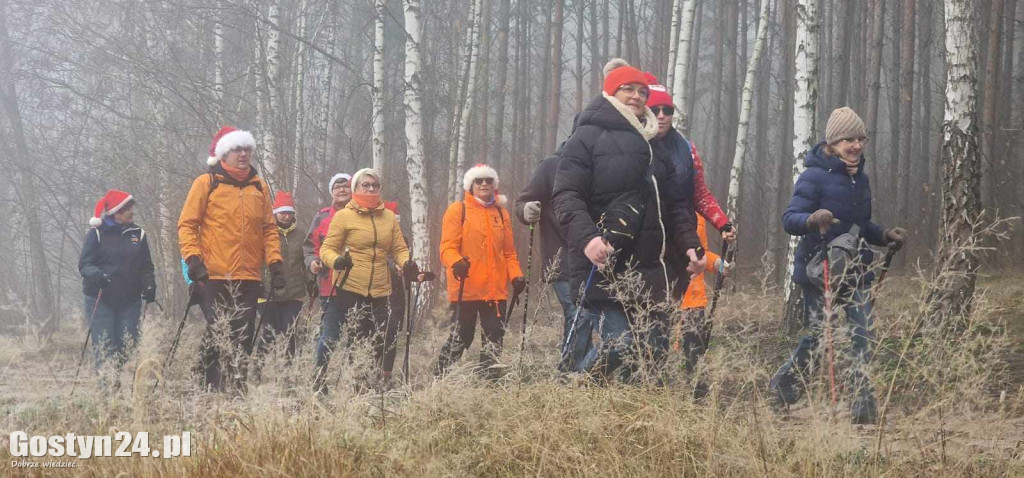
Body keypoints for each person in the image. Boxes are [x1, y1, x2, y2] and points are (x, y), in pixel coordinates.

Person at [553, 58, 704, 383]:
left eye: (641, 91)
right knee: (620, 344)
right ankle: (576, 391)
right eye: (627, 89)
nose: (636, 96)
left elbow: (675, 204)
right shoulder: (586, 138)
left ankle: (618, 418)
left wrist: (691, 245)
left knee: (647, 359)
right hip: (608, 263)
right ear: (610, 92)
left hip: (652, 269)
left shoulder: (653, 145)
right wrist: (589, 239)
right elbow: (566, 197)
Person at [769, 107, 907, 424]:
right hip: (821, 272)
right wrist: (812, 218)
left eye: (860, 138)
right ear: (832, 143)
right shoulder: (813, 176)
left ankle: (863, 410)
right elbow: (790, 219)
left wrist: (884, 236)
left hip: (855, 269)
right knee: (817, 338)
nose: (855, 145)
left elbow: (860, 225)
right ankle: (783, 387)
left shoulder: (861, 178)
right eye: (848, 139)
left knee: (863, 334)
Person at [645, 75, 735, 396]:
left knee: (683, 333)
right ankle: (651, 391)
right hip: (645, 248)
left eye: (667, 109)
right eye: (654, 109)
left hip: (681, 247)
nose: (661, 115)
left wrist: (721, 223)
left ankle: (688, 390)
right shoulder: (633, 144)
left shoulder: (687, 149)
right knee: (653, 329)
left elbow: (699, 194)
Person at [178, 126, 284, 393]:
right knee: (218, 329)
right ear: (224, 153)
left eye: (247, 149)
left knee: (243, 333)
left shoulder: (259, 186)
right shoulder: (206, 183)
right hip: (212, 274)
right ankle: (206, 384)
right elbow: (187, 225)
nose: (243, 154)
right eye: (237, 149)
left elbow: (269, 229)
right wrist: (193, 259)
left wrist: (275, 263)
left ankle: (236, 385)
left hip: (249, 275)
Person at [313, 168, 423, 394]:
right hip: (350, 286)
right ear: (356, 189)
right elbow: (327, 249)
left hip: (381, 289)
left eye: (374, 185)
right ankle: (352, 387)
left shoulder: (389, 217)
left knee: (379, 338)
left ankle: (368, 385)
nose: (371, 188)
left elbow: (399, 248)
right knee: (358, 337)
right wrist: (337, 261)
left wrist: (406, 263)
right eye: (366, 185)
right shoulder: (344, 216)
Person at [436, 164, 525, 378]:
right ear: (470, 185)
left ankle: (488, 385)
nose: (484, 184)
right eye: (479, 181)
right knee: (462, 337)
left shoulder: (501, 214)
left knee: (495, 338)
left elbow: (509, 253)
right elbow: (446, 248)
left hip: (495, 292)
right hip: (465, 288)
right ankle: (440, 379)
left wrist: (516, 275)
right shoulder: (458, 210)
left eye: (488, 180)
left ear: (494, 185)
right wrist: (456, 262)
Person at [79, 190, 155, 388]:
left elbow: (146, 265)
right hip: (100, 297)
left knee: (127, 344)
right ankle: (109, 392)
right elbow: (85, 264)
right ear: (116, 212)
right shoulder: (96, 233)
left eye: (131, 208)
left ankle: (114, 377)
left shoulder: (138, 234)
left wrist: (149, 283)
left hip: (130, 299)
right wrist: (97, 275)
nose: (132, 212)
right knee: (105, 346)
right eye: (127, 208)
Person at [256, 191, 309, 364]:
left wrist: (311, 282)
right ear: (275, 213)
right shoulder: (264, 233)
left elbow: (305, 261)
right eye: (282, 213)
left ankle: (289, 373)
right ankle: (258, 370)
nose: (286, 216)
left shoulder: (301, 235)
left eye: (290, 213)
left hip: (294, 292)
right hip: (267, 292)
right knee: (269, 333)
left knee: (290, 332)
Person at [304, 173, 352, 308]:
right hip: (329, 287)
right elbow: (310, 248)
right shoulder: (321, 217)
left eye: (346, 186)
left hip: (358, 288)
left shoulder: (363, 214)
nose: (342, 190)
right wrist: (313, 262)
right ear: (332, 193)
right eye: (337, 187)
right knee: (330, 329)